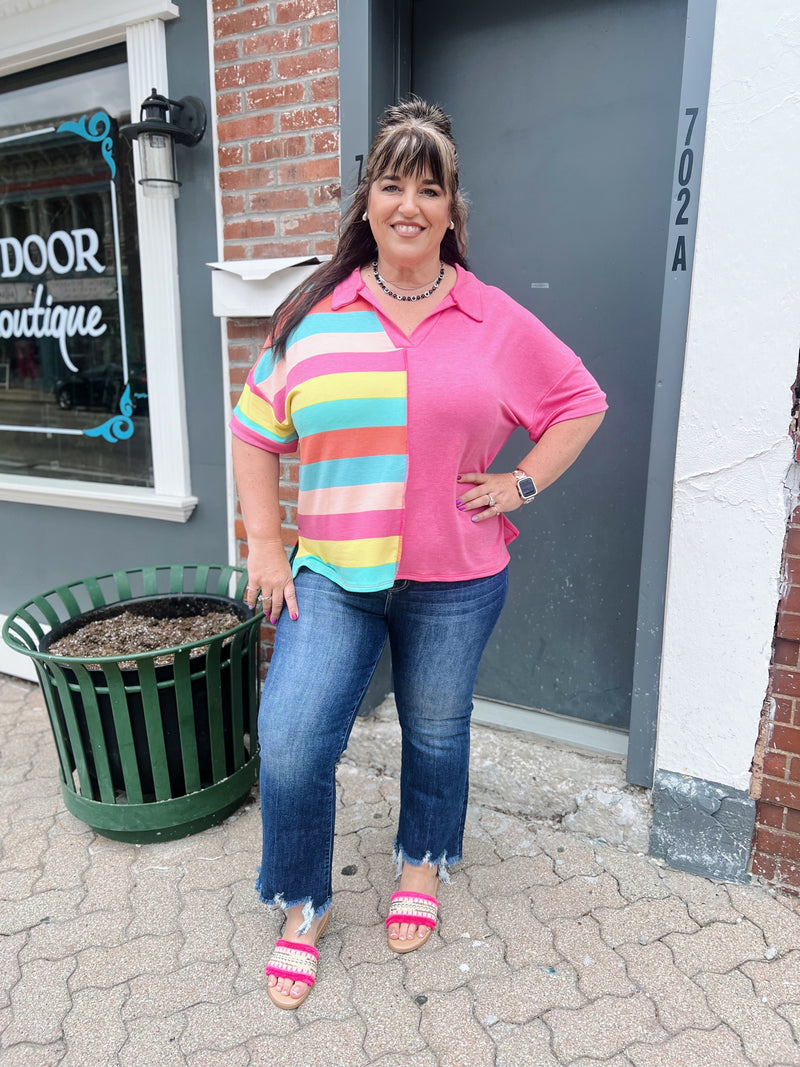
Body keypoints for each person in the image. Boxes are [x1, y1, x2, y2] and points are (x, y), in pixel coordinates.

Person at [230, 98, 607, 1009]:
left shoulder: (492, 318)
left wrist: (518, 485)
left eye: (428, 188)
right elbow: (254, 432)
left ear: (450, 211)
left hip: (457, 578)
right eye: (392, 184)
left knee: (435, 730)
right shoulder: (315, 316)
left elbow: (580, 402)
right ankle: (300, 901)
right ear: (367, 204)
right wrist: (269, 550)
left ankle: (423, 861)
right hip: (332, 575)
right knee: (288, 738)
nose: (409, 204)